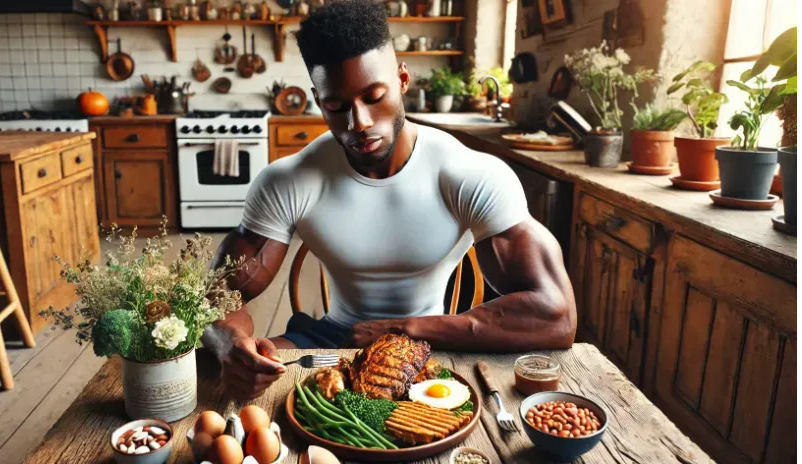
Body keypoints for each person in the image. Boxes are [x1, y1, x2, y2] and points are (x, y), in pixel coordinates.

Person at [202, 0, 576, 399]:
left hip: (432, 341)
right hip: (334, 337)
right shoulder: (288, 180)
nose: (358, 123)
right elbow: (213, 297)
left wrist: (407, 328)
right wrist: (229, 345)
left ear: (402, 80)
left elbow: (556, 315)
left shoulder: (468, 174)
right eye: (337, 106)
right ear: (317, 100)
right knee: (243, 387)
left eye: (374, 96)